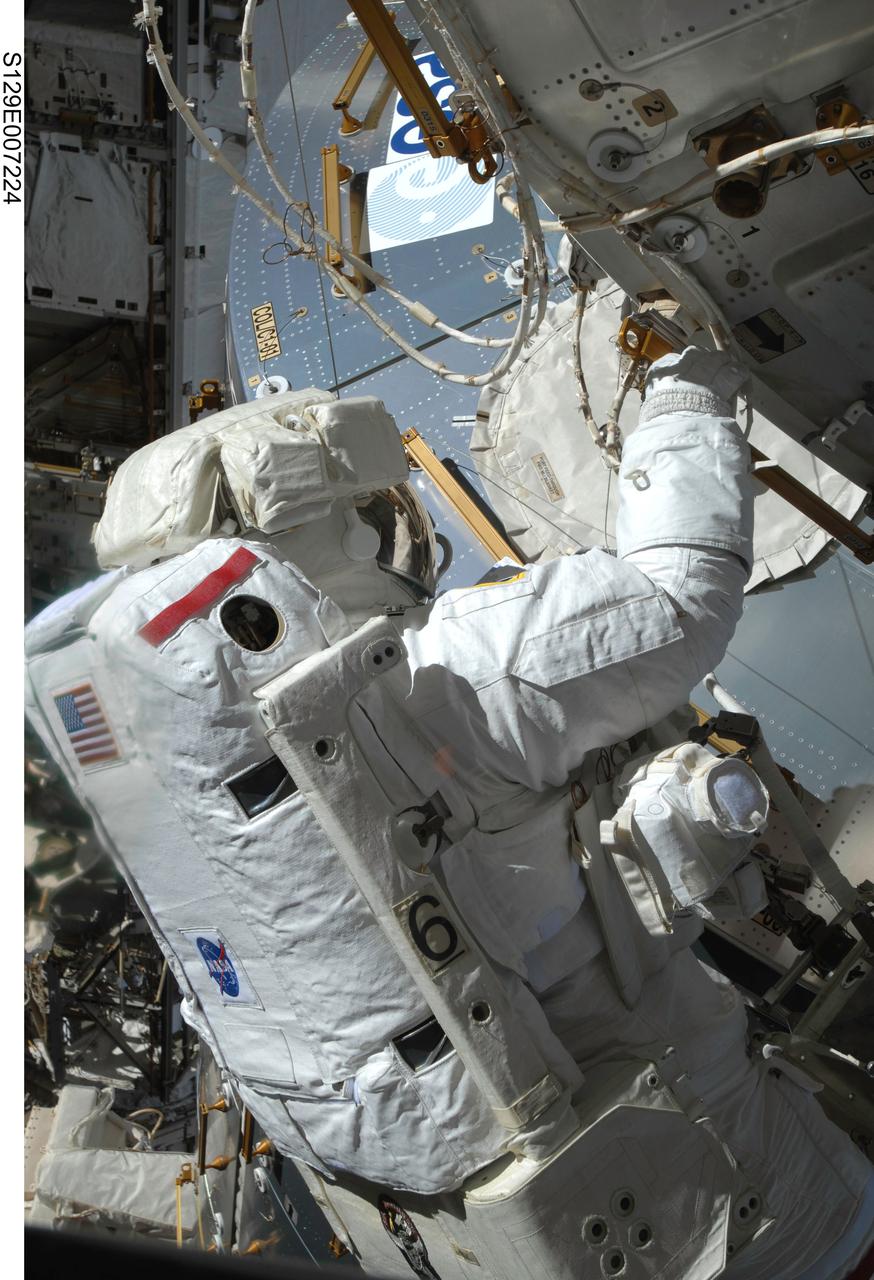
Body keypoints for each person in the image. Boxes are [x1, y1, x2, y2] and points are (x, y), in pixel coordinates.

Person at [25, 351, 874, 1278]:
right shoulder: (450, 679)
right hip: (757, 1201)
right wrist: (685, 390)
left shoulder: (188, 797)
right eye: (380, 516)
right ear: (328, 535)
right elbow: (680, 598)